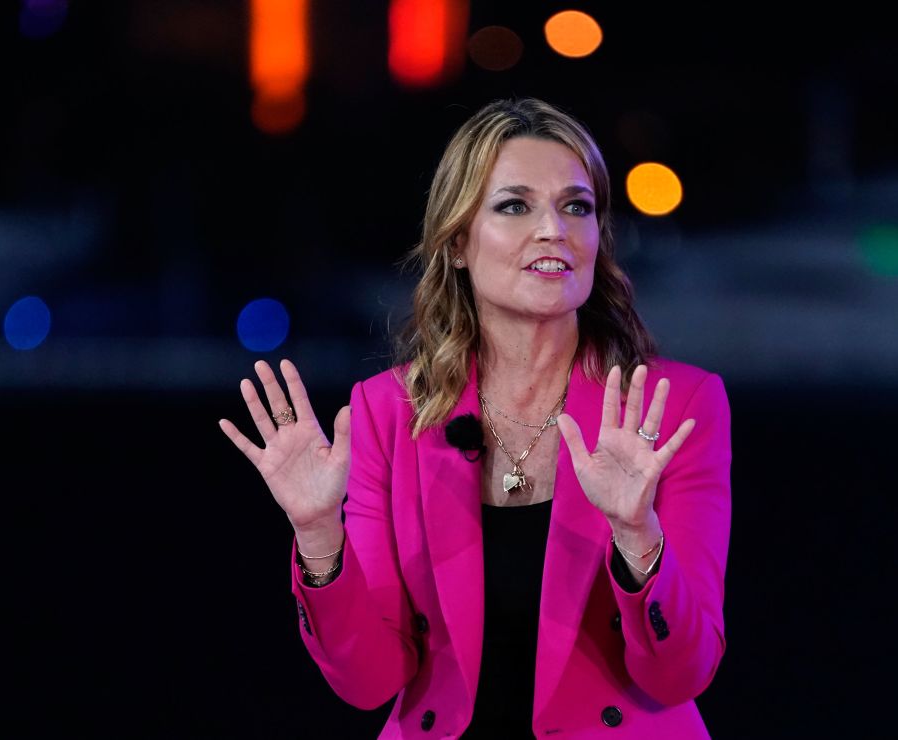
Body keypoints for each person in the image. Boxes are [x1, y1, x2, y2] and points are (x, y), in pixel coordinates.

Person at [219, 96, 731, 738]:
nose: (554, 229)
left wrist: (637, 536)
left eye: (577, 206)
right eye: (515, 205)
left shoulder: (676, 404)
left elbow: (681, 674)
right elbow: (369, 681)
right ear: (458, 242)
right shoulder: (388, 412)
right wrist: (319, 532)